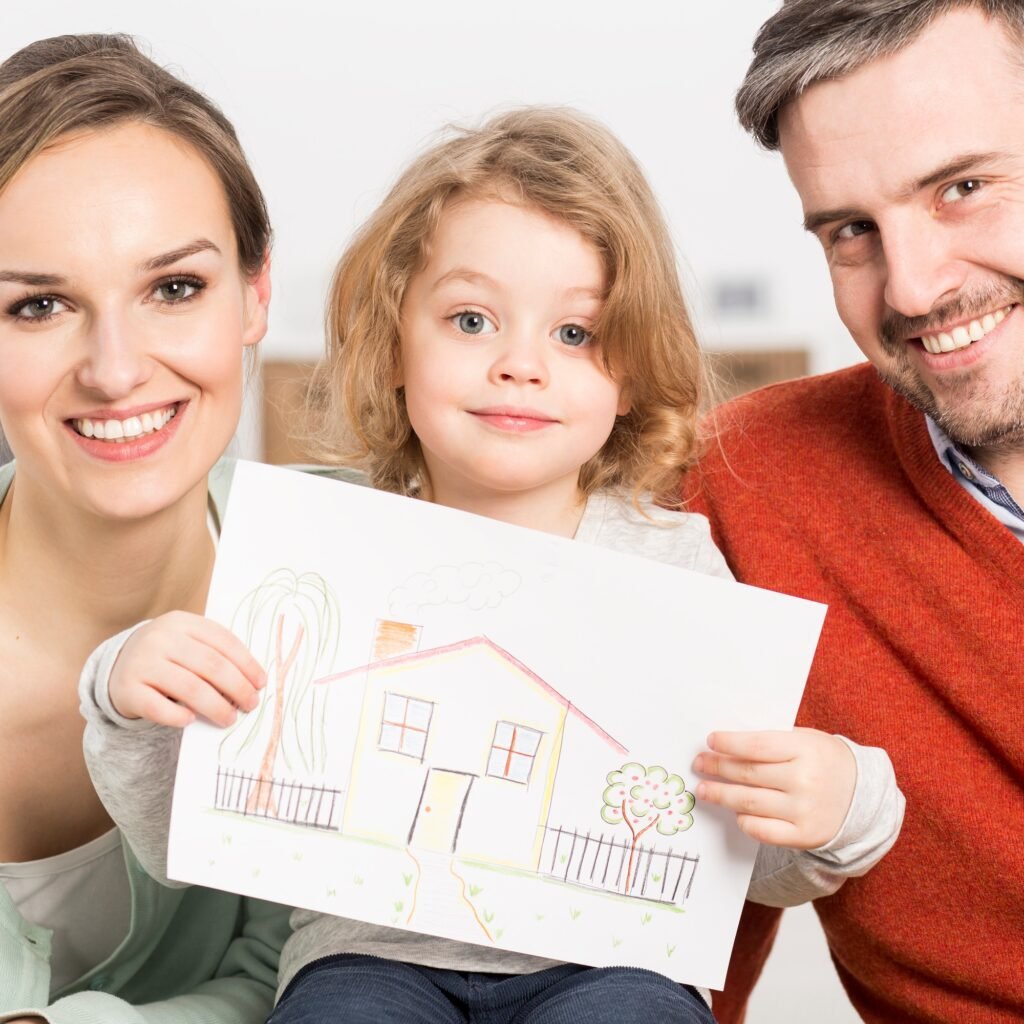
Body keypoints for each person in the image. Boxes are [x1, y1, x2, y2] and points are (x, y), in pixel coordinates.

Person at [80, 107, 903, 1024]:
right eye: (472, 320)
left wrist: (843, 803)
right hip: (366, 959)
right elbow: (190, 840)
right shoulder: (325, 556)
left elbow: (750, 863)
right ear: (395, 341)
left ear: (628, 371)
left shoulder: (677, 568)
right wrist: (125, 699)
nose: (520, 365)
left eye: (575, 334)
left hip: (615, 962)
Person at [683, 3, 1024, 1023]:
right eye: (850, 233)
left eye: (961, 188)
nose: (913, 286)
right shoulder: (744, 484)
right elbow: (660, 950)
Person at [0, 33, 294, 1024]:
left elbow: (315, 973)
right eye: (39, 304)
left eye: (174, 288)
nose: (117, 370)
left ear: (255, 293)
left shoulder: (351, 579)